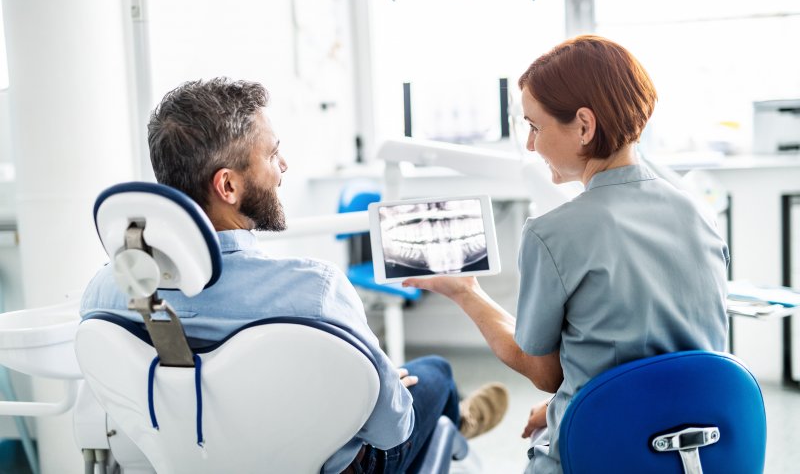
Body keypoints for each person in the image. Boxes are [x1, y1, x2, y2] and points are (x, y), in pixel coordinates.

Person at [80, 78, 509, 474]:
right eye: (271, 154)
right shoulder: (315, 292)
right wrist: (383, 389)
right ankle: (459, 422)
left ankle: (458, 419)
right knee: (434, 374)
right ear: (227, 187)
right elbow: (390, 430)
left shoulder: (105, 294)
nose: (283, 165)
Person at [403, 35, 729, 473]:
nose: (530, 145)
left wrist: (466, 292)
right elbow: (663, 358)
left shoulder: (552, 233)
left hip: (603, 454)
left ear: (584, 126)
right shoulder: (699, 214)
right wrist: (569, 404)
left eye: (535, 127)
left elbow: (544, 373)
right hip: (693, 451)